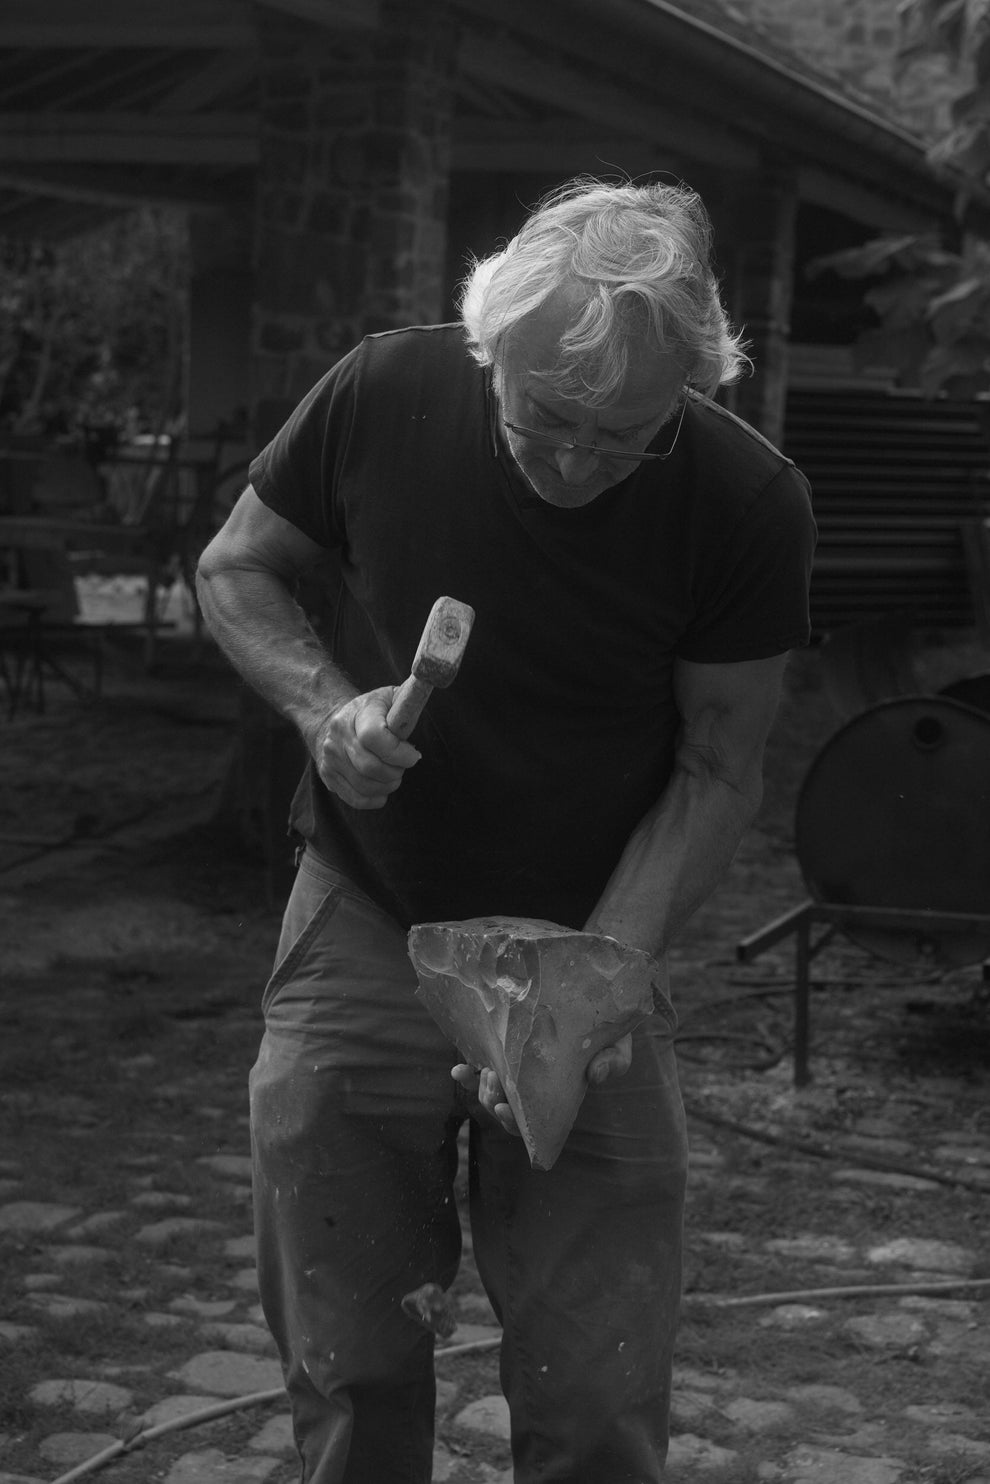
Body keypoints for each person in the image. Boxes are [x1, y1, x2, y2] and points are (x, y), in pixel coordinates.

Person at [196, 176, 816, 1484]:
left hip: (589, 930)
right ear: (488, 345)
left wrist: (593, 980)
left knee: (596, 1388)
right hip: (370, 912)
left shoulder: (744, 501)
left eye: (626, 432)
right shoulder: (382, 392)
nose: (580, 462)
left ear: (691, 392)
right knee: (348, 1357)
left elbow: (717, 768)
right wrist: (323, 711)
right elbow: (236, 568)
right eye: (546, 417)